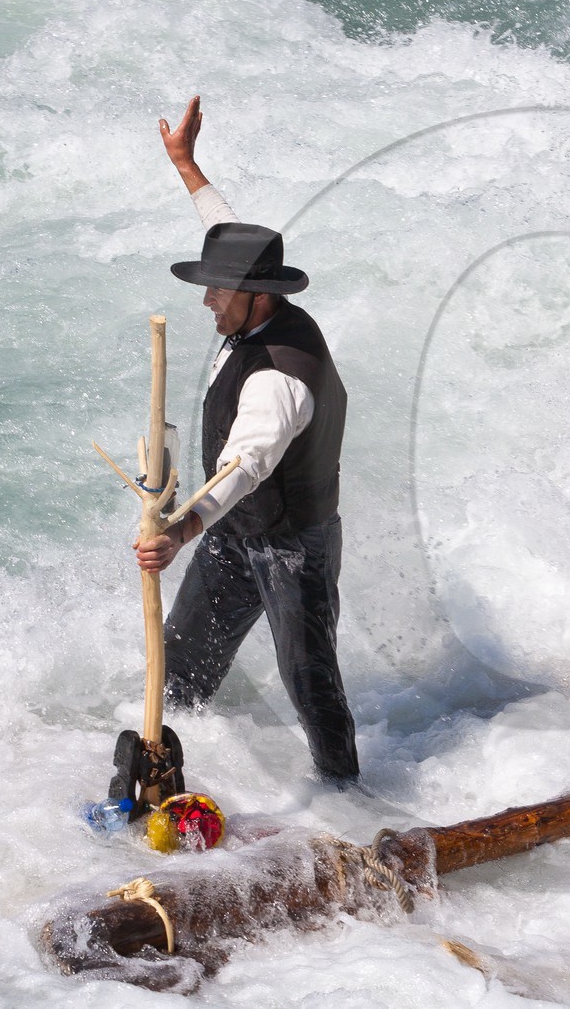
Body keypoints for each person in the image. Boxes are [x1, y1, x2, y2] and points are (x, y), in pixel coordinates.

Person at [133, 96, 359, 785]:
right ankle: (168, 771)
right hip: (239, 532)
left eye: (219, 290)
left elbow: (249, 463)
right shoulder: (255, 310)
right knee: (183, 661)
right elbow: (227, 227)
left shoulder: (280, 377)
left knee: (308, 677)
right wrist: (187, 166)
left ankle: (348, 797)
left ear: (258, 297)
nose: (208, 299)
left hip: (292, 543)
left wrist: (185, 528)